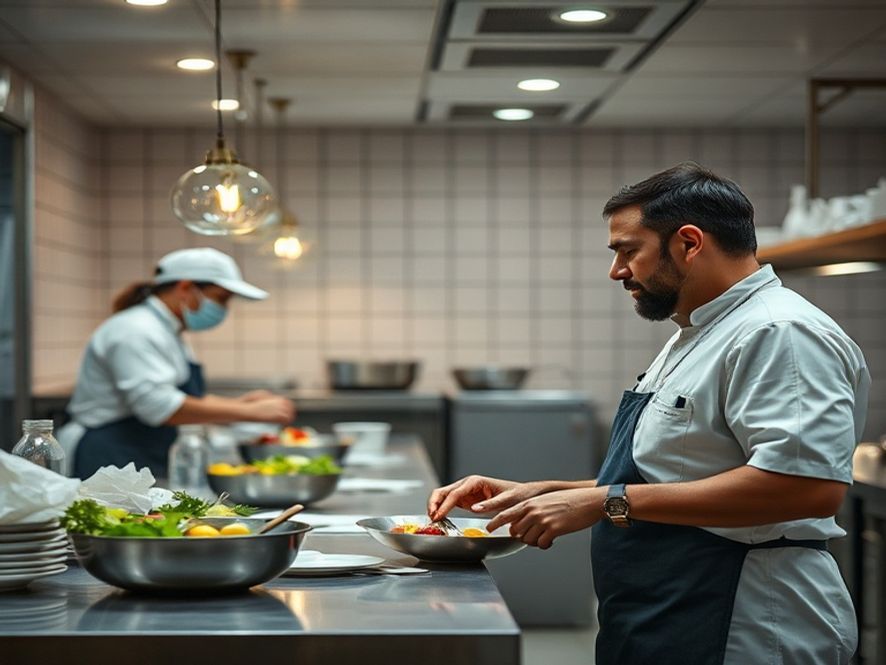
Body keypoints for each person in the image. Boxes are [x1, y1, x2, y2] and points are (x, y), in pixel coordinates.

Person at [429, 163, 870, 665]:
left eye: (627, 251)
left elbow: (806, 486)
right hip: (666, 613)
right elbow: (677, 470)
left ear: (688, 243)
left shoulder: (778, 332)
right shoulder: (699, 333)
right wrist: (547, 491)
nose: (617, 271)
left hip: (740, 622)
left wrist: (607, 501)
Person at [58, 247, 295, 480]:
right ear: (185, 288)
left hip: (138, 449)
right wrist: (249, 412)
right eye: (221, 298)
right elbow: (159, 406)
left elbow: (181, 398)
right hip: (107, 454)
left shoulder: (168, 331)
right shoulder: (135, 330)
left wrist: (238, 405)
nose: (224, 309)